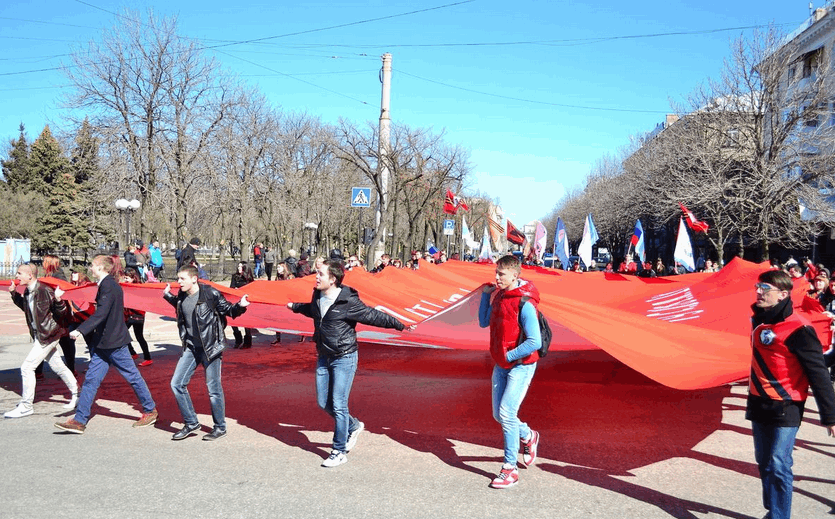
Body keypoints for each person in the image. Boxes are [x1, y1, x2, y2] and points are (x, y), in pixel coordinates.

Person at [287, 260, 414, 467]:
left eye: (320, 274)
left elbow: (374, 316)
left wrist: (400, 325)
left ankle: (338, 450)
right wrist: (295, 307)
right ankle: (353, 426)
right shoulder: (317, 294)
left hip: (344, 357)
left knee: (338, 404)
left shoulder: (348, 302)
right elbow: (314, 310)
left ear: (333, 279)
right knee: (323, 403)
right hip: (323, 356)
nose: (316, 277)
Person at [748, 270, 835, 519]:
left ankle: (779, 516)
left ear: (783, 294)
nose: (758, 292)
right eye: (758, 286)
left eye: (765, 288)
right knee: (764, 462)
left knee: (778, 463)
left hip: (786, 405)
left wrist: (830, 416)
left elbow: (818, 373)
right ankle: (772, 509)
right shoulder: (758, 319)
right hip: (759, 402)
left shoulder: (800, 329)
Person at [54, 255, 158, 434]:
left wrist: (81, 330)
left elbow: (101, 313)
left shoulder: (108, 286)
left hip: (114, 342)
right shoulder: (106, 284)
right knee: (91, 381)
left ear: (101, 267)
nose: (90, 268)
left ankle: (150, 410)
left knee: (132, 377)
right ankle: (79, 420)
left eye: (92, 265)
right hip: (104, 342)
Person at [164, 265, 249, 441]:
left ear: (194, 279)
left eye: (182, 279)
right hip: (191, 347)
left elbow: (229, 311)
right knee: (176, 384)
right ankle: (191, 422)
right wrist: (167, 296)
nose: (178, 282)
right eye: (178, 279)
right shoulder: (182, 295)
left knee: (213, 389)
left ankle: (220, 427)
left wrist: (240, 306)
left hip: (210, 347)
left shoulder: (210, 293)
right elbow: (181, 306)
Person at [478, 254, 542, 489]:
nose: (496, 277)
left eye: (501, 274)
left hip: (522, 366)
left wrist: (510, 355)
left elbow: (534, 341)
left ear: (515, 275)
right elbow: (484, 322)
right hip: (501, 365)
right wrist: (485, 297)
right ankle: (528, 435)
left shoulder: (525, 303)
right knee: (499, 415)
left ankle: (509, 469)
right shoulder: (499, 296)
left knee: (506, 414)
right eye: (496, 273)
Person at [4, 264, 78, 418]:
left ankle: (26, 406)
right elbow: (28, 308)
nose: (17, 276)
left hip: (48, 334)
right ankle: (78, 394)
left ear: (30, 275)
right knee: (58, 366)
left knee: (27, 367)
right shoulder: (28, 290)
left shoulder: (44, 290)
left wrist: (58, 300)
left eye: (19, 274)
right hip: (40, 334)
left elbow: (62, 312)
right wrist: (13, 294)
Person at [121, 268, 153, 366]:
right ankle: (134, 353)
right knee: (124, 333)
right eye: (125, 278)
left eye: (127, 278)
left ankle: (147, 358)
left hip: (136, 315)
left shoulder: (138, 287)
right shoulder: (127, 286)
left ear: (133, 278)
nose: (125, 280)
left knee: (137, 336)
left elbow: (141, 302)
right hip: (130, 315)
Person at [229, 261, 255, 349]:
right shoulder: (234, 276)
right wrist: (235, 290)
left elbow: (251, 290)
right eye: (238, 266)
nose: (239, 268)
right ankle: (238, 338)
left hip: (245, 301)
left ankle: (248, 341)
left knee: (246, 322)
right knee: (233, 320)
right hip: (236, 301)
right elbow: (231, 288)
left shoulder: (249, 279)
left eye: (241, 266)